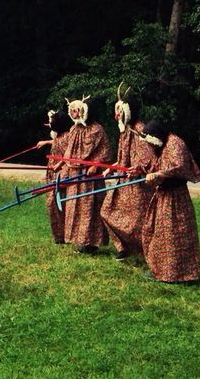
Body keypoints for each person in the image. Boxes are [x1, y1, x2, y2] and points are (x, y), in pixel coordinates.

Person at [139, 121, 200, 284]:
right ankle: (161, 270)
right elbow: (153, 163)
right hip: (163, 195)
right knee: (155, 232)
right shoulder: (159, 144)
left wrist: (159, 174)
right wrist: (141, 170)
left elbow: (180, 166)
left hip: (176, 198)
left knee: (174, 235)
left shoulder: (175, 143)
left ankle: (180, 274)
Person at [100, 86, 157, 261]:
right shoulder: (124, 130)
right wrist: (111, 168)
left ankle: (148, 252)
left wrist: (138, 168)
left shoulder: (140, 130)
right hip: (122, 181)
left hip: (138, 184)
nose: (117, 115)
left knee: (137, 222)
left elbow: (148, 157)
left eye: (120, 111)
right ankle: (122, 248)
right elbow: (123, 157)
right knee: (106, 211)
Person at [57, 96, 111, 254]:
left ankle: (91, 243)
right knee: (75, 207)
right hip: (75, 175)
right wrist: (65, 168)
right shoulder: (74, 129)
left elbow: (106, 151)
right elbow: (68, 153)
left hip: (90, 178)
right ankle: (79, 240)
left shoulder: (97, 130)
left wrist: (96, 165)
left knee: (89, 209)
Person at [40, 109, 74, 244]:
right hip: (53, 173)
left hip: (62, 174)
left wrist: (59, 165)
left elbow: (68, 156)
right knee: (51, 205)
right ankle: (59, 236)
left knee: (56, 203)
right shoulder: (59, 136)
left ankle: (64, 235)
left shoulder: (66, 137)